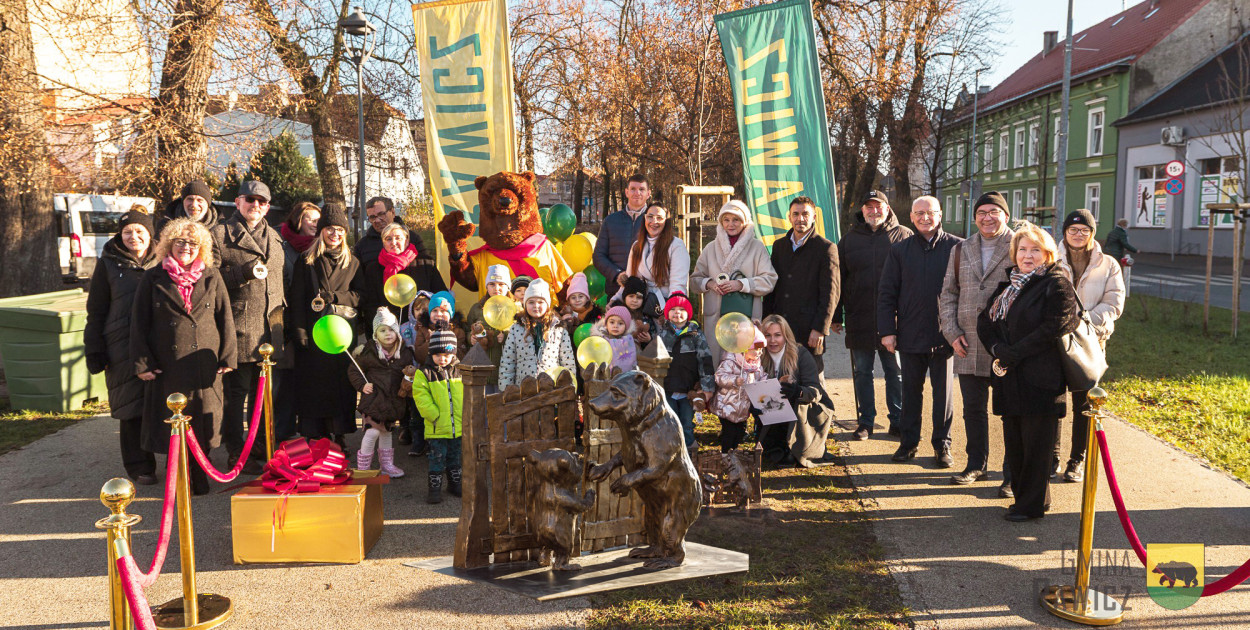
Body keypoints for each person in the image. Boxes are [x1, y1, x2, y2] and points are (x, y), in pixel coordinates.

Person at [978, 221, 1079, 522]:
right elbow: (985, 322)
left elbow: (1055, 326)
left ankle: (1030, 506)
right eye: (1022, 249)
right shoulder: (1009, 284)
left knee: (1037, 447)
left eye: (1035, 250)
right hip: (1010, 378)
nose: (1027, 255)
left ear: (1048, 253)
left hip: (1040, 379)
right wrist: (997, 350)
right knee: (1016, 444)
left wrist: (1013, 353)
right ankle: (1030, 499)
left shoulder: (1057, 283)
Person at [130, 218, 237, 496]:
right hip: (167, 364)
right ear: (169, 244)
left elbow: (225, 317)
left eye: (192, 243)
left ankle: (200, 475)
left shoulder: (212, 276)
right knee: (173, 424)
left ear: (201, 247)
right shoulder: (152, 277)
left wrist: (228, 356)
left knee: (203, 422)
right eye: (180, 242)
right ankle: (180, 479)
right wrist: (142, 363)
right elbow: (139, 323)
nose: (186, 248)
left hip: (204, 363)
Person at [939, 191, 1017, 496]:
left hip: (1005, 345)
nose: (987, 217)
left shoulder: (1019, 245)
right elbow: (948, 294)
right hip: (967, 342)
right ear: (975, 217)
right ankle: (976, 464)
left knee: (1011, 411)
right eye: (981, 212)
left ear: (1006, 216)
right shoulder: (961, 249)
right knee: (973, 409)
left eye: (994, 212)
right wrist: (951, 331)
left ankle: (1012, 473)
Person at [877, 196, 962, 467]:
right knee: (910, 394)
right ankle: (908, 444)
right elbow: (887, 293)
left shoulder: (957, 248)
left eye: (930, 212)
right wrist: (888, 331)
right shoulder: (899, 250)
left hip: (945, 336)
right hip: (910, 334)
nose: (925, 217)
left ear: (940, 215)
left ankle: (942, 445)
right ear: (911, 217)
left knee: (943, 396)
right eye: (919, 213)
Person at [210, 180, 285, 474]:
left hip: (272, 328)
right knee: (236, 398)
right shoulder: (219, 235)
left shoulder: (275, 237)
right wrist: (241, 274)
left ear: (268, 206)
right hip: (239, 328)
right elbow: (211, 283)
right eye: (250, 200)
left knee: (264, 397)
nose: (256, 206)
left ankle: (260, 449)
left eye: (262, 202)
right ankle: (235, 452)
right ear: (238, 202)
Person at [85, 210, 159, 484]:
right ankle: (140, 466)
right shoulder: (107, 264)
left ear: (150, 234)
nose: (133, 236)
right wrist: (94, 349)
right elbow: (96, 310)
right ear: (120, 235)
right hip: (121, 346)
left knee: (162, 403)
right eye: (128, 232)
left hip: (158, 344)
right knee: (130, 408)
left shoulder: (163, 260)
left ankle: (172, 458)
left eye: (139, 231)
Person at [834, 190, 912, 440]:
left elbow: (914, 280)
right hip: (860, 318)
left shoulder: (904, 236)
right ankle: (865, 422)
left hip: (895, 320)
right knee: (862, 372)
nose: (874, 211)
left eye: (878, 207)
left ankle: (898, 421)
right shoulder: (848, 240)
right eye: (869, 207)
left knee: (895, 372)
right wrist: (836, 315)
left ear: (888, 209)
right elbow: (838, 280)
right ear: (862, 210)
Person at [1055, 209, 1125, 482]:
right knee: (1053, 401)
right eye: (1073, 230)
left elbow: (1114, 303)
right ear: (1064, 233)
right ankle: (1053, 456)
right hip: (1055, 341)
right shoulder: (1052, 257)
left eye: (1084, 230)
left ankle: (1077, 460)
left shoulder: (1108, 264)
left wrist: (1083, 323)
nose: (1078, 234)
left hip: (1091, 341)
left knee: (1084, 403)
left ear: (1092, 233)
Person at [289, 205, 365, 446]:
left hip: (341, 334)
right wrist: (300, 332)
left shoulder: (352, 262)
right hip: (313, 335)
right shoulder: (307, 260)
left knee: (341, 387)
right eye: (330, 229)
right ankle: (316, 435)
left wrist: (337, 297)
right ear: (321, 231)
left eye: (340, 230)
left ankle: (339, 434)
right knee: (314, 387)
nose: (335, 234)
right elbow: (297, 299)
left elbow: (360, 296)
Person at [691, 200, 778, 363]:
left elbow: (770, 279)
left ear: (744, 221)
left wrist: (741, 284)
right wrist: (710, 284)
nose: (731, 224)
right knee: (717, 365)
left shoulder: (757, 248)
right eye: (726, 219)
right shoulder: (710, 248)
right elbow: (695, 280)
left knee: (745, 365)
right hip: (716, 317)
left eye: (736, 219)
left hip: (746, 318)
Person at [764, 196, 840, 357]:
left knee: (810, 378)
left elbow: (830, 294)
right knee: (779, 378)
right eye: (796, 214)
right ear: (789, 217)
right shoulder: (779, 246)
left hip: (809, 329)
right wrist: (767, 322)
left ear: (814, 217)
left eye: (805, 214)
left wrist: (820, 328)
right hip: (780, 327)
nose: (800, 219)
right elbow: (772, 288)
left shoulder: (826, 248)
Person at [758, 315, 835, 468]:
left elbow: (815, 392)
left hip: (804, 408)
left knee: (790, 401)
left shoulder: (801, 354)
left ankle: (798, 447)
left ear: (786, 336)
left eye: (777, 335)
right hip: (772, 408)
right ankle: (778, 447)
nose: (772, 340)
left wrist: (797, 391)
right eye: (768, 335)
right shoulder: (758, 355)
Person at [348, 308, 414, 478]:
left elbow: (409, 373)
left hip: (393, 400)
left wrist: (408, 383)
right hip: (373, 400)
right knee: (372, 431)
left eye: (391, 329)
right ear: (376, 334)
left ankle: (387, 465)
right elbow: (354, 370)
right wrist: (362, 385)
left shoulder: (404, 353)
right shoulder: (368, 352)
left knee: (386, 432)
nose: (388, 334)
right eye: (383, 330)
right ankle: (363, 469)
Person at [274, 202, 320, 442]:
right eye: (308, 218)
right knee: (286, 381)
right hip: (286, 320)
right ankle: (282, 433)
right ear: (298, 220)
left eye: (316, 219)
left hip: (313, 322)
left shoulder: (321, 246)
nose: (313, 223)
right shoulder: (281, 245)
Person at [657, 293, 715, 452]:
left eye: (682, 309)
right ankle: (672, 453)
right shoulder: (662, 334)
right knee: (669, 421)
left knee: (687, 423)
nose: (677, 313)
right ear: (667, 313)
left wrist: (707, 387)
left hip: (688, 390)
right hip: (667, 388)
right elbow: (655, 361)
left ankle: (690, 452)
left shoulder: (696, 334)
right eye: (673, 309)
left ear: (688, 313)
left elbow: (705, 360)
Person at [360, 222, 448, 322]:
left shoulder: (426, 265)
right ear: (383, 243)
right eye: (388, 239)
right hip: (387, 331)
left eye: (398, 238)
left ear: (406, 241)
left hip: (421, 328)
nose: (393, 242)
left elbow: (441, 294)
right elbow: (370, 305)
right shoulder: (373, 269)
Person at [413, 329, 464, 503]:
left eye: (446, 354)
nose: (442, 358)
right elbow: (421, 397)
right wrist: (433, 415)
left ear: (453, 354)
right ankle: (434, 488)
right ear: (431, 353)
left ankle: (454, 483)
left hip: (456, 426)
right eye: (437, 355)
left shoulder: (460, 371)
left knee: (455, 456)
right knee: (436, 458)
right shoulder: (424, 373)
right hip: (436, 426)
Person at [497, 279, 576, 389]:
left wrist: (569, 388)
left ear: (547, 304)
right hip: (523, 390)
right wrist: (506, 390)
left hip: (551, 390)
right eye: (531, 302)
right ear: (525, 304)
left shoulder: (559, 330)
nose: (536, 306)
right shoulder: (516, 329)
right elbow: (508, 362)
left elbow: (568, 362)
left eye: (540, 302)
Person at [594, 174, 650, 297]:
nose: (637, 193)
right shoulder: (610, 221)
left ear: (648, 193)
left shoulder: (654, 222)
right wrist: (616, 274)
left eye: (641, 189)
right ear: (626, 192)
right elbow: (598, 256)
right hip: (616, 290)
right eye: (633, 189)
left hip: (646, 292)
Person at [620, 204, 690, 303]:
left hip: (665, 303)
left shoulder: (676, 245)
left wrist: (671, 309)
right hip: (640, 303)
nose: (654, 221)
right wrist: (615, 300)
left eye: (659, 218)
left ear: (666, 221)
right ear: (645, 218)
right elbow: (630, 280)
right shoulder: (636, 246)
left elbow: (678, 285)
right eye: (650, 217)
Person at [711, 327, 766, 454]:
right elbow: (719, 377)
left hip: (742, 407)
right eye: (756, 349)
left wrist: (766, 382)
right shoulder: (730, 361)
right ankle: (725, 454)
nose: (760, 353)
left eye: (761, 349)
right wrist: (734, 380)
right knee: (729, 432)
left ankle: (733, 453)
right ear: (745, 347)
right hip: (727, 404)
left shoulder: (755, 365)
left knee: (739, 433)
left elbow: (759, 378)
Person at [467, 265, 515, 390]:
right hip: (482, 368)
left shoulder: (516, 309)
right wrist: (470, 338)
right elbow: (467, 328)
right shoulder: (477, 309)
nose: (496, 288)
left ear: (508, 287)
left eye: (501, 284)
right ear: (486, 286)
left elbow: (521, 334)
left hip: (506, 370)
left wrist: (505, 336)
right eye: (492, 284)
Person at [353, 196, 432, 265]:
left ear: (393, 212)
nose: (377, 220)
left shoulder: (413, 239)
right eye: (372, 217)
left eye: (381, 214)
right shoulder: (362, 246)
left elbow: (427, 270)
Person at [591, 305, 638, 372]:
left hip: (627, 378)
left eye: (620, 323)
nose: (615, 326)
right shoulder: (600, 340)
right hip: (605, 378)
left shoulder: (630, 342)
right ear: (606, 324)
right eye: (612, 322)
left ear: (626, 326)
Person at [1103, 218, 1139, 295]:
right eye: (1126, 225)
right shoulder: (1121, 233)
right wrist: (1135, 250)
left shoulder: (1112, 231)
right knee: (1117, 270)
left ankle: (1106, 285)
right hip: (1116, 254)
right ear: (1123, 225)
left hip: (1107, 253)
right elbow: (1125, 244)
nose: (1126, 227)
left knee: (1108, 270)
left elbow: (1107, 243)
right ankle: (1116, 286)